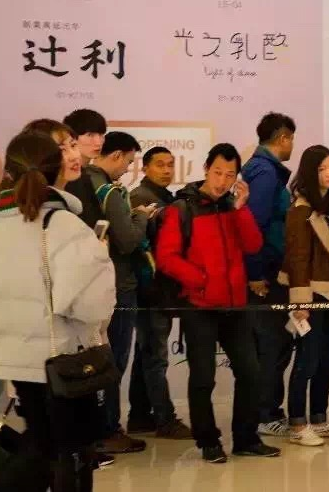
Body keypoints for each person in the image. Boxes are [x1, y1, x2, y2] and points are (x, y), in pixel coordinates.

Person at [0, 130, 115, 491]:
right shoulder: (63, 223)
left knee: (42, 445)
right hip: (61, 361)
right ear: (57, 166)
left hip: (18, 359)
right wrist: (100, 259)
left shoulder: (0, 225)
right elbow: (89, 305)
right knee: (67, 453)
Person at [156, 144, 280, 463]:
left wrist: (241, 209)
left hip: (235, 306)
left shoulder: (232, 207)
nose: (222, 181)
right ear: (206, 169)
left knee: (250, 373)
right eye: (217, 172)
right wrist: (201, 280)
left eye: (229, 175)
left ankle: (246, 438)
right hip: (199, 307)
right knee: (203, 378)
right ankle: (208, 440)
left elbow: (253, 245)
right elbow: (166, 257)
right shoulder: (182, 208)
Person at [84, 131, 152, 456]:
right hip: (117, 285)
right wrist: (141, 216)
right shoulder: (109, 192)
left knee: (96, 361)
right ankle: (108, 428)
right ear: (115, 155)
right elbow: (127, 241)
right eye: (128, 161)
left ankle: (97, 428)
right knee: (114, 362)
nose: (127, 169)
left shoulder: (83, 183)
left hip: (91, 285)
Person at [281, 145, 329, 446]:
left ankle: (319, 419)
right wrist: (300, 303)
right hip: (311, 294)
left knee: (326, 359)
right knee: (307, 360)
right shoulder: (301, 211)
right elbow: (297, 259)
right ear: (311, 172)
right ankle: (297, 423)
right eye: (323, 168)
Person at [127, 146, 192, 439]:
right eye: (160, 165)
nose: (166, 170)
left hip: (158, 288)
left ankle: (140, 417)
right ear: (145, 168)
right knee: (155, 356)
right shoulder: (140, 198)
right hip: (150, 288)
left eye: (170, 165)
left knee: (147, 354)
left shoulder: (166, 198)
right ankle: (165, 420)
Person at [243, 112, 297, 438]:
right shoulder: (264, 173)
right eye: (292, 139)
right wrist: (255, 273)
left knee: (275, 344)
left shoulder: (262, 169)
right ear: (283, 138)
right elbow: (254, 226)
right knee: (271, 345)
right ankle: (265, 413)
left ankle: (266, 410)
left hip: (269, 270)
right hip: (265, 274)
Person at [63, 108, 107, 229]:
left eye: (101, 135)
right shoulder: (68, 177)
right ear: (71, 138)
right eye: (90, 135)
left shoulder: (85, 174)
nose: (98, 142)